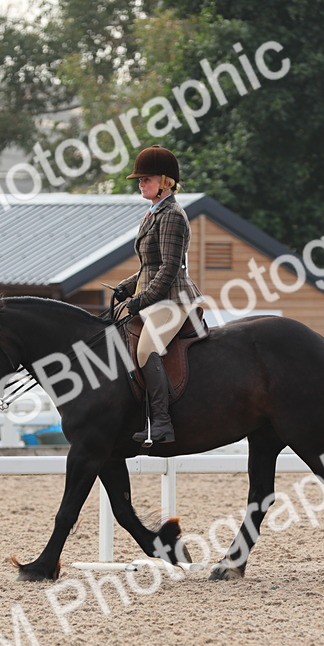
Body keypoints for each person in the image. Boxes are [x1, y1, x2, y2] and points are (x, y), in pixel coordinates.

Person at [113, 145, 203, 446]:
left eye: (146, 179)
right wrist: (127, 286)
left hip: (174, 299)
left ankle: (162, 423)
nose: (141, 184)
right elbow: (149, 267)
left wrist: (141, 299)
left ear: (166, 181)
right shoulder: (152, 214)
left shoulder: (173, 215)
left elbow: (168, 269)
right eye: (139, 180)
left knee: (144, 350)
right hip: (157, 293)